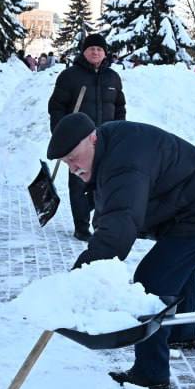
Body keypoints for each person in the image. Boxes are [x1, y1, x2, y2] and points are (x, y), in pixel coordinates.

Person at [47, 112, 195, 389]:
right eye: (66, 163)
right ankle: (183, 333)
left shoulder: (124, 164)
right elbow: (110, 207)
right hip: (189, 201)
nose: (73, 167)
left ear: (93, 138)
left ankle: (151, 373)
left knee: (152, 281)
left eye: (75, 157)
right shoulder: (107, 149)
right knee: (178, 264)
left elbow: (119, 227)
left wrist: (79, 280)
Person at [47, 32, 127, 241]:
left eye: (99, 49)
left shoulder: (113, 77)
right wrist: (61, 135)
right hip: (79, 141)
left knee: (103, 184)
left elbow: (120, 107)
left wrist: (120, 131)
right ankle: (81, 227)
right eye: (91, 48)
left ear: (105, 53)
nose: (96, 52)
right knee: (78, 184)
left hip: (105, 140)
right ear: (84, 51)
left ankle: (98, 221)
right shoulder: (70, 76)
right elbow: (56, 107)